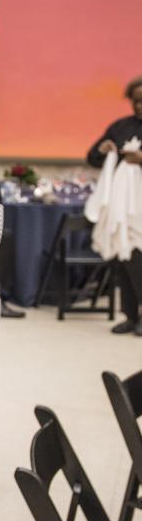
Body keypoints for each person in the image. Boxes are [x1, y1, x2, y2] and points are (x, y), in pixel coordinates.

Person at [86, 75, 142, 336]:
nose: (140, 106)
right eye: (136, 101)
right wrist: (103, 148)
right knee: (123, 260)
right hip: (122, 205)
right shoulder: (120, 127)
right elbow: (93, 157)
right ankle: (130, 315)